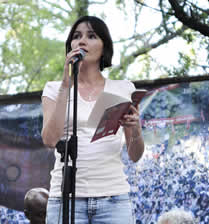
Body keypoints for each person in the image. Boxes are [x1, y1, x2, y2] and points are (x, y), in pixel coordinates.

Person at [41, 15, 144, 224]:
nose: (82, 41)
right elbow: (50, 140)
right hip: (66, 200)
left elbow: (135, 155)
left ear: (104, 46)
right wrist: (65, 85)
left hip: (114, 199)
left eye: (91, 36)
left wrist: (135, 129)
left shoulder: (123, 88)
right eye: (76, 36)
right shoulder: (54, 89)